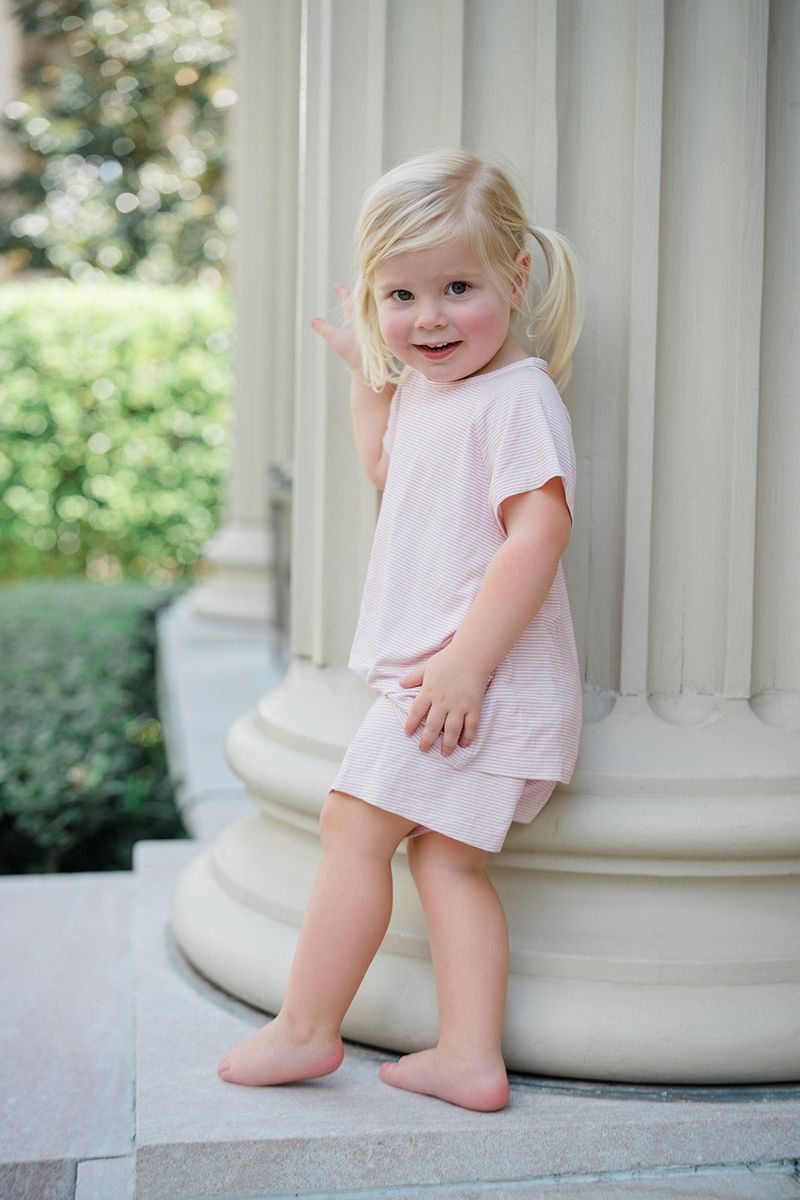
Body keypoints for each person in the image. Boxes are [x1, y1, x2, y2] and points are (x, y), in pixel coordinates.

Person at [218, 150, 583, 1112]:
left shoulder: (517, 398)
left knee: (351, 825)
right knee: (443, 859)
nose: (428, 318)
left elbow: (539, 533)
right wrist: (366, 376)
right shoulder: (431, 391)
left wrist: (465, 665)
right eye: (401, 295)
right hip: (457, 682)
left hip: (471, 682)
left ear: (516, 278)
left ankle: (307, 1029)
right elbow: (388, 468)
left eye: (457, 288)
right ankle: (469, 1056)